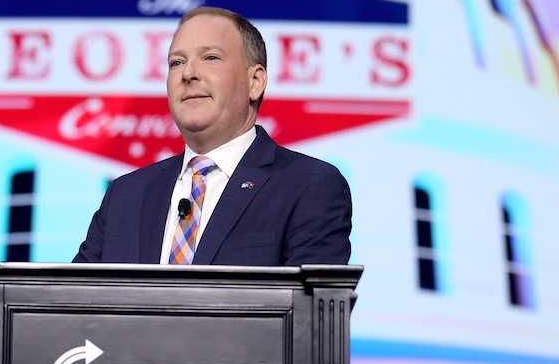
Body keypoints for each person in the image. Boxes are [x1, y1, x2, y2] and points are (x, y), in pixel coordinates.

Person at [72, 6, 351, 266]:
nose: (189, 73)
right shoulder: (125, 195)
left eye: (211, 58)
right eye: (176, 62)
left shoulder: (309, 186)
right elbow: (67, 305)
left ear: (255, 82)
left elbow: (313, 313)